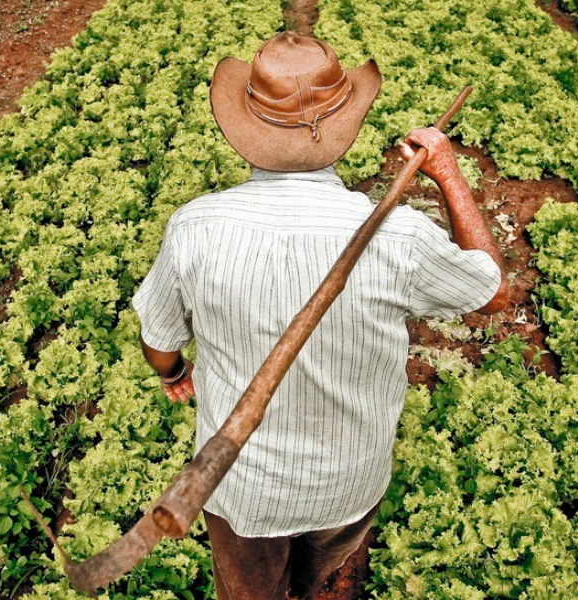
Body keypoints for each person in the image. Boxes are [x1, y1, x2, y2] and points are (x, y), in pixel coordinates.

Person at [131, 31, 509, 600]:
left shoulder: (195, 229)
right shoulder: (398, 235)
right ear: (345, 126)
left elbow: (159, 340)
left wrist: (172, 374)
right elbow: (492, 290)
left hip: (241, 492)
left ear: (244, 129)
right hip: (347, 484)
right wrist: (449, 175)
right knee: (329, 580)